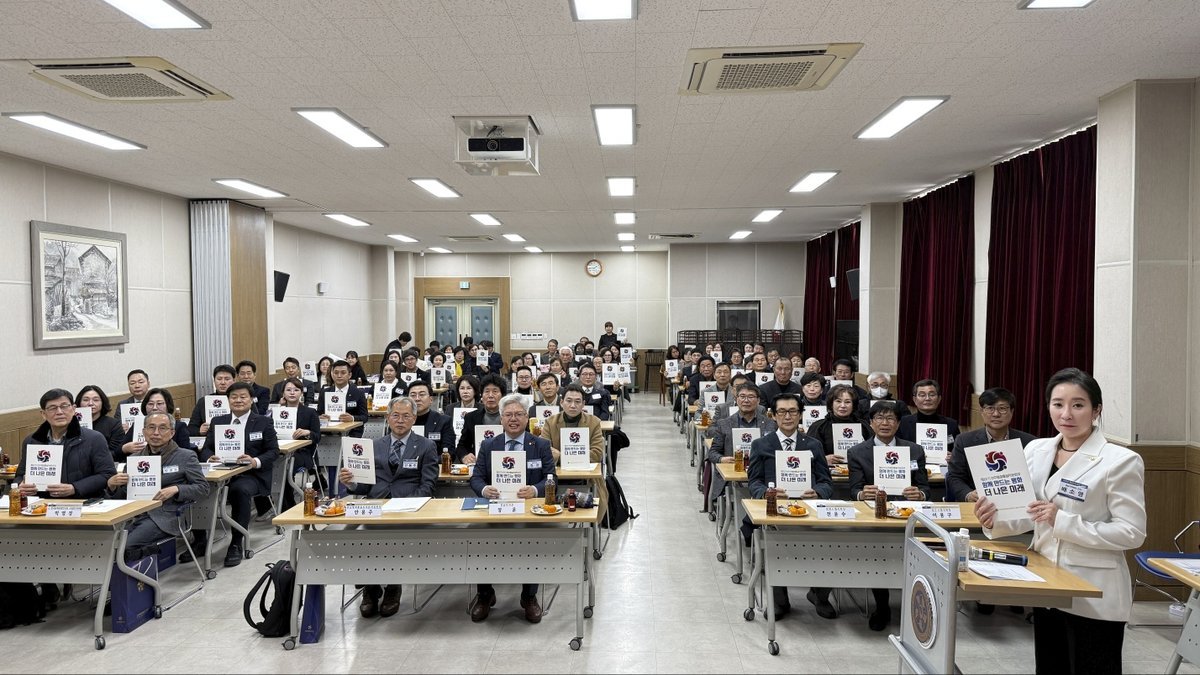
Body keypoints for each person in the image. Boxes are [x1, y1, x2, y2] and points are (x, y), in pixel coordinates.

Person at [975, 369, 1145, 674]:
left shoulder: (1120, 460)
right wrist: (993, 520)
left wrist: (1062, 520)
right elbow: (1028, 513)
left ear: (1096, 410)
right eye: (1058, 404)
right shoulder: (1036, 449)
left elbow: (1132, 532)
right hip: (1046, 586)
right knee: (1051, 667)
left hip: (1093, 591)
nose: (1066, 414)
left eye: (1078, 405)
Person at [339, 396, 437, 618]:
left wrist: (405, 505)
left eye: (406, 416)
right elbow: (365, 486)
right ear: (387, 417)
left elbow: (428, 486)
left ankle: (393, 588)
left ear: (414, 419)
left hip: (408, 509)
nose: (400, 421)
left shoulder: (426, 446)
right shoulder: (374, 446)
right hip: (376, 507)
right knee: (359, 539)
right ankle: (370, 589)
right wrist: (351, 483)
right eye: (395, 416)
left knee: (394, 540)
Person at [469, 395, 555, 623]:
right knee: (481, 542)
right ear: (501, 419)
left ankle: (529, 597)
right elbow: (476, 478)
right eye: (508, 415)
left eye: (518, 414)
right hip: (496, 507)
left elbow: (551, 478)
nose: (513, 419)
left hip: (528, 511)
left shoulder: (541, 445)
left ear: (527, 418)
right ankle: (485, 595)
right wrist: (484, 489)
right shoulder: (489, 445)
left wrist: (535, 490)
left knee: (531, 544)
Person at [746, 393, 831, 617]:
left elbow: (826, 482)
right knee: (774, 546)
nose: (787, 416)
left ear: (800, 415)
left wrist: (818, 492)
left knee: (830, 544)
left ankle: (819, 594)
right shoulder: (761, 444)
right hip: (775, 512)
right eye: (782, 412)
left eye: (793, 411)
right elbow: (754, 482)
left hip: (808, 511)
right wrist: (766, 493)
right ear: (773, 416)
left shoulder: (813, 445)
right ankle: (779, 600)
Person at [846, 401, 929, 630]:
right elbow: (853, 490)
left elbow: (925, 487)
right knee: (879, 556)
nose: (885, 423)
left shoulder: (914, 450)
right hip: (876, 517)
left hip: (907, 516)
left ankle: (916, 605)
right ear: (871, 423)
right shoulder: (857, 452)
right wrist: (863, 493)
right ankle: (882, 606)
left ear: (898, 423)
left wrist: (919, 493)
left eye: (890, 418)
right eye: (879, 418)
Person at [198, 382, 279, 567]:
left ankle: (236, 542)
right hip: (221, 472)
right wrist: (209, 457)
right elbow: (206, 448)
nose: (238, 400)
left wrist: (254, 461)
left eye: (243, 397)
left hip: (251, 475)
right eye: (234, 397)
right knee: (197, 487)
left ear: (251, 400)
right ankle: (199, 540)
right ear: (228, 400)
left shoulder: (263, 422)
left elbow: (273, 451)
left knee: (239, 490)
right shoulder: (218, 421)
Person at [105, 411, 209, 549]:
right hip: (133, 513)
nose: (156, 433)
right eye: (151, 427)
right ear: (144, 432)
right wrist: (112, 486)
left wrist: (177, 489)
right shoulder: (135, 458)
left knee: (124, 546)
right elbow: (123, 496)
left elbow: (203, 488)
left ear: (172, 433)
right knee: (107, 544)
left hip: (165, 516)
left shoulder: (186, 456)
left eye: (162, 428)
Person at [15, 388, 115, 499]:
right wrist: (21, 485)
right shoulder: (32, 441)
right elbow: (19, 476)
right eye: (52, 408)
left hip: (83, 502)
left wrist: (74, 488)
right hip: (42, 503)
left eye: (64, 406)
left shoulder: (94, 438)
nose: (59, 412)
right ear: (43, 414)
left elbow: (107, 474)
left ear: (74, 409)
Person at [946, 387, 1036, 503]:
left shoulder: (1030, 442)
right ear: (982, 411)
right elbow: (954, 476)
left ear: (1012, 411)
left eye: (1002, 409)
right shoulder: (964, 441)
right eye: (990, 408)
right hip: (979, 504)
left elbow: (1037, 478)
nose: (996, 414)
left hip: (1019, 504)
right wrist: (968, 494)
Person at [707, 383, 777, 504]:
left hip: (762, 476)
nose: (746, 400)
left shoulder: (770, 424)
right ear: (736, 399)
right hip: (733, 475)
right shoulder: (724, 424)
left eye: (751, 397)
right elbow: (712, 452)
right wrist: (722, 459)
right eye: (742, 396)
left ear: (758, 400)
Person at [272, 377, 322, 509]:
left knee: (284, 468)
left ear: (301, 393)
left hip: (302, 453)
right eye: (288, 390)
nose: (292, 393)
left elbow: (317, 437)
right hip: (280, 451)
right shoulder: (277, 412)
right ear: (283, 393)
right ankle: (278, 506)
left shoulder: (310, 412)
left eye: (296, 390)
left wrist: (307, 432)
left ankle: (287, 507)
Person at [805, 384, 871, 465]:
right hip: (828, 470)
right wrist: (823, 459)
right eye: (838, 401)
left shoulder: (864, 426)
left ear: (853, 405)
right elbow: (808, 456)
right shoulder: (818, 427)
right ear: (831, 404)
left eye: (847, 402)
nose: (843, 406)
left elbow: (873, 452)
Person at [120, 388, 191, 455]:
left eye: (159, 404)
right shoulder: (138, 424)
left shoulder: (179, 426)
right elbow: (117, 452)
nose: (154, 408)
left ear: (168, 405)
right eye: (150, 404)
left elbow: (185, 454)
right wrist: (125, 449)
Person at [456, 374, 506, 464]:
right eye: (486, 391)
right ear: (481, 395)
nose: (490, 395)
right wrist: (465, 456)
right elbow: (462, 446)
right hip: (479, 463)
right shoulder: (471, 417)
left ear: (502, 396)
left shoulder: (511, 418)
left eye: (495, 391)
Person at [897, 379, 962, 444]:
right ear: (915, 399)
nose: (927, 398)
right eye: (922, 395)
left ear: (939, 399)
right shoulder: (903, 423)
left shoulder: (951, 425)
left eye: (932, 395)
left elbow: (957, 448)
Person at [405, 380, 456, 458]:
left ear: (431, 400)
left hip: (433, 464)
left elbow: (449, 453)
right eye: (413, 395)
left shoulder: (444, 421)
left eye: (422, 394)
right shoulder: (400, 421)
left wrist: (427, 463)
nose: (417, 399)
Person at [318, 360, 368, 438]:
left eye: (343, 373)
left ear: (349, 375)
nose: (339, 376)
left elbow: (365, 417)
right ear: (332, 374)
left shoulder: (358, 393)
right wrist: (321, 418)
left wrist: (352, 418)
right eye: (336, 373)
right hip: (328, 432)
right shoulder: (324, 392)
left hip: (351, 432)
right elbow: (318, 413)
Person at [75, 384, 125, 461]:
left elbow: (115, 452)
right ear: (79, 403)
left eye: (96, 400)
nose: (90, 403)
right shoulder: (71, 424)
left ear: (102, 402)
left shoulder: (114, 425)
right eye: (86, 400)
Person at [187, 364, 237, 436]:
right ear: (214, 380)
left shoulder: (239, 401)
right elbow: (191, 428)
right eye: (219, 379)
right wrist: (199, 431)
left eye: (227, 379)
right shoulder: (204, 401)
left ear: (234, 380)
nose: (223, 382)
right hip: (210, 438)